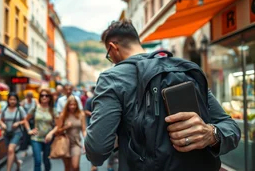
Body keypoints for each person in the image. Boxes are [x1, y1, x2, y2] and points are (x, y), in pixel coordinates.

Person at [84, 20, 241, 171]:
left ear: (113, 47)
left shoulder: (112, 78)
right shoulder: (183, 71)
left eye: (109, 56)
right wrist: (211, 134)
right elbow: (231, 128)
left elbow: (97, 151)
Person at [46, 95, 86, 171]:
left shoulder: (81, 114)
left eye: (74, 104)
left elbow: (84, 130)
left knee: (75, 166)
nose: (72, 106)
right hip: (65, 144)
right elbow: (57, 130)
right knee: (67, 167)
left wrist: (86, 141)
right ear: (67, 105)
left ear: (77, 105)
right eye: (71, 104)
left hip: (76, 143)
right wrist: (66, 127)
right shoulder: (63, 115)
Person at [24, 89, 55, 171]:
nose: (44, 97)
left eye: (46, 95)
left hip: (48, 139)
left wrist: (51, 133)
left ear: (49, 97)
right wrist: (29, 130)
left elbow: (58, 125)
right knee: (37, 161)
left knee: (46, 160)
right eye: (42, 95)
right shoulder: (35, 108)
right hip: (36, 138)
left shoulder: (52, 110)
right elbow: (25, 120)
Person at [0, 92, 26, 171]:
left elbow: (25, 120)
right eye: (11, 99)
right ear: (8, 100)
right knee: (11, 151)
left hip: (17, 132)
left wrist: (18, 123)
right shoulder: (4, 109)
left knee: (10, 150)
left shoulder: (20, 109)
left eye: (14, 99)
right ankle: (18, 163)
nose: (12, 101)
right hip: (7, 133)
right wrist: (2, 124)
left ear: (17, 100)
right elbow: (0, 120)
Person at [20, 92, 38, 157]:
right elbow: (20, 110)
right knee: (25, 135)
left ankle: (35, 149)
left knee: (34, 134)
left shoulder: (35, 101)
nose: (29, 98)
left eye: (31, 97)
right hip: (26, 119)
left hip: (33, 119)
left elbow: (38, 108)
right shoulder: (24, 102)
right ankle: (25, 150)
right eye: (28, 97)